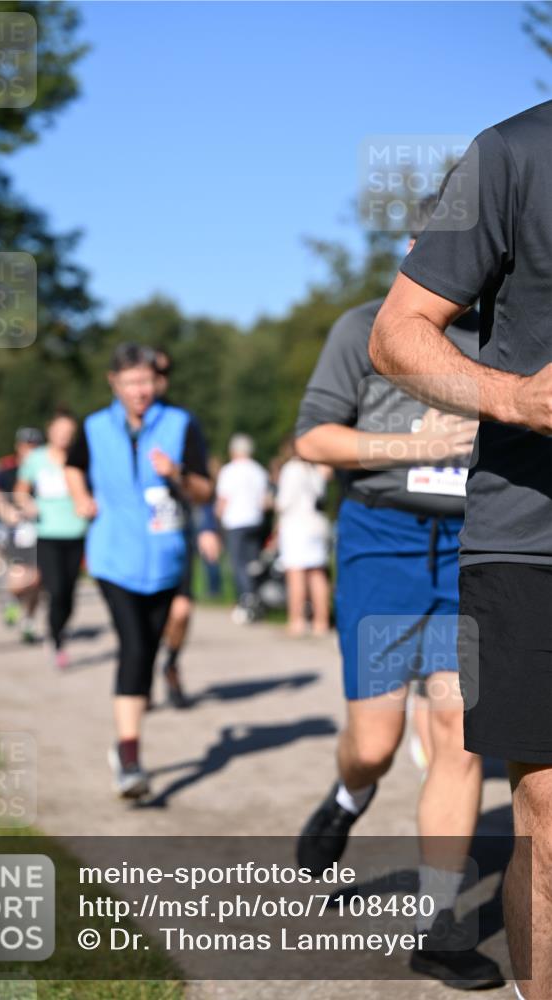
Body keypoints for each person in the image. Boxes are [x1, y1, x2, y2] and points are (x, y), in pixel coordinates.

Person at [294, 191, 505, 988]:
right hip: (381, 544)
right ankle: (345, 801)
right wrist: (402, 442)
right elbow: (312, 438)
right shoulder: (363, 328)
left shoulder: (501, 337)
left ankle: (438, 926)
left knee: (458, 725)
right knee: (377, 742)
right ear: (412, 246)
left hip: (469, 547)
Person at [369, 100, 552, 1000]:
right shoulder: (513, 153)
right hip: (514, 537)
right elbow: (392, 337)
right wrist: (515, 401)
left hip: (472, 553)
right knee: (543, 803)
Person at [65, 343, 212, 797]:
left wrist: (176, 475)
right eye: (130, 382)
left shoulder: (180, 424)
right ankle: (130, 759)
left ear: (157, 382)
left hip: (166, 560)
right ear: (114, 383)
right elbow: (73, 467)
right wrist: (80, 497)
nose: (139, 390)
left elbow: (204, 491)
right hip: (112, 557)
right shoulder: (92, 428)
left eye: (146, 381)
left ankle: (125, 741)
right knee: (132, 645)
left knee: (147, 651)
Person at [153, 349, 221, 708]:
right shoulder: (111, 425)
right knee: (144, 617)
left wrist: (207, 525)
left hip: (175, 529)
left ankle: (171, 663)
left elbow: (203, 481)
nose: (158, 379)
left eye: (164, 372)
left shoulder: (181, 422)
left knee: (180, 612)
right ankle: (139, 674)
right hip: (133, 537)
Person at [15, 411, 87, 669]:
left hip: (77, 531)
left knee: (68, 592)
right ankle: (57, 639)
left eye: (69, 432)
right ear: (50, 431)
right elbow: (20, 491)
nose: (64, 436)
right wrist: (28, 503)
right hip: (47, 532)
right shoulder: (35, 459)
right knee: (55, 588)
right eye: (60, 431)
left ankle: (58, 627)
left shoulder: (81, 456)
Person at [274, 440, 332, 636]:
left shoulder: (291, 469)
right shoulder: (313, 469)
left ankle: (297, 620)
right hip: (316, 524)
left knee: (296, 574)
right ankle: (321, 621)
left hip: (296, 526)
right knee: (317, 574)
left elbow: (284, 501)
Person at [0, 427, 44, 642]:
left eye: (34, 446)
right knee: (19, 577)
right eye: (26, 446)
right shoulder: (7, 472)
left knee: (38, 580)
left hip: (42, 530)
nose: (30, 451)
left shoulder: (46, 470)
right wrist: (8, 512)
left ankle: (29, 621)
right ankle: (14, 601)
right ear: (19, 447)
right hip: (17, 533)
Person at [216, 434, 270, 624]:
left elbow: (223, 500)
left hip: (235, 522)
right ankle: (254, 597)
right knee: (252, 564)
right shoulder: (259, 471)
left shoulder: (228, 471)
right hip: (255, 520)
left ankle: (247, 599)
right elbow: (265, 502)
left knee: (238, 564)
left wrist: (217, 522)